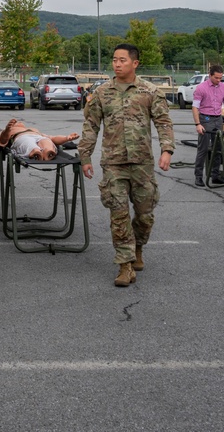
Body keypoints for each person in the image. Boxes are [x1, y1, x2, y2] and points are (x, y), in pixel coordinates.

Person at [78, 43, 175, 287]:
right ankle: (125, 265)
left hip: (142, 163)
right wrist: (85, 156)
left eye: (122, 60)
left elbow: (163, 122)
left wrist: (167, 150)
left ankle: (138, 248)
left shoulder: (150, 91)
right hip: (113, 163)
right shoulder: (102, 93)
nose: (117, 64)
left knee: (144, 215)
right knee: (118, 214)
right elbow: (91, 126)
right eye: (114, 60)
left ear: (135, 63)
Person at [191, 64, 224, 187]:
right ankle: (198, 176)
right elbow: (195, 107)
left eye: (220, 78)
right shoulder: (201, 88)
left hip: (218, 119)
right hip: (205, 118)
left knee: (218, 148)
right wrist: (198, 124)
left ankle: (215, 176)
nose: (218, 80)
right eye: (216, 78)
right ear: (210, 75)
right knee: (203, 149)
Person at [0, 118, 79, 161]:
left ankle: (48, 151)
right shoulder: (10, 130)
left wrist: (66, 138)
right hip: (21, 138)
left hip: (38, 137)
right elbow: (2, 140)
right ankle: (35, 152)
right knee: (28, 142)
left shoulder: (33, 129)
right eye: (17, 123)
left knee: (46, 141)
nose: (19, 122)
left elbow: (53, 138)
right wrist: (7, 130)